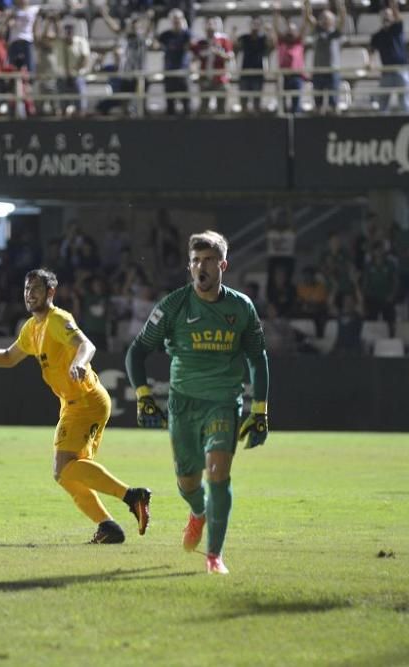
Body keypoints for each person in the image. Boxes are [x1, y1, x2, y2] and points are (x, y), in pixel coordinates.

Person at [0, 268, 152, 544]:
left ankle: (132, 497)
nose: (29, 294)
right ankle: (109, 526)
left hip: (85, 401)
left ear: (50, 292)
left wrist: (79, 363)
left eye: (36, 288)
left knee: (63, 468)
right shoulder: (31, 328)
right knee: (69, 472)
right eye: (26, 289)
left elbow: (87, 345)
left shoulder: (58, 319)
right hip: (73, 403)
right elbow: (8, 358)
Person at [125, 231, 270, 574]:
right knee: (188, 483)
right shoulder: (173, 306)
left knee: (219, 474)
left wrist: (260, 409)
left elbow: (257, 358)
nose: (200, 267)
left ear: (222, 265)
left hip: (223, 402)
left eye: (207, 261)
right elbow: (137, 352)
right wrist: (143, 395)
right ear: (189, 266)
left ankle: (214, 556)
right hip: (183, 405)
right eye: (195, 261)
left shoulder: (241, 307)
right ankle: (198, 512)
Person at [368, 0, 409, 113]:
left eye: (388, 15)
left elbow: (398, 15)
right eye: (384, 15)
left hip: (401, 70)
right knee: (383, 103)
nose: (386, 17)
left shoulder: (397, 28)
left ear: (392, 17)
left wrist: (393, 4)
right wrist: (370, 62)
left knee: (404, 103)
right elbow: (371, 51)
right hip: (386, 72)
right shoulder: (377, 36)